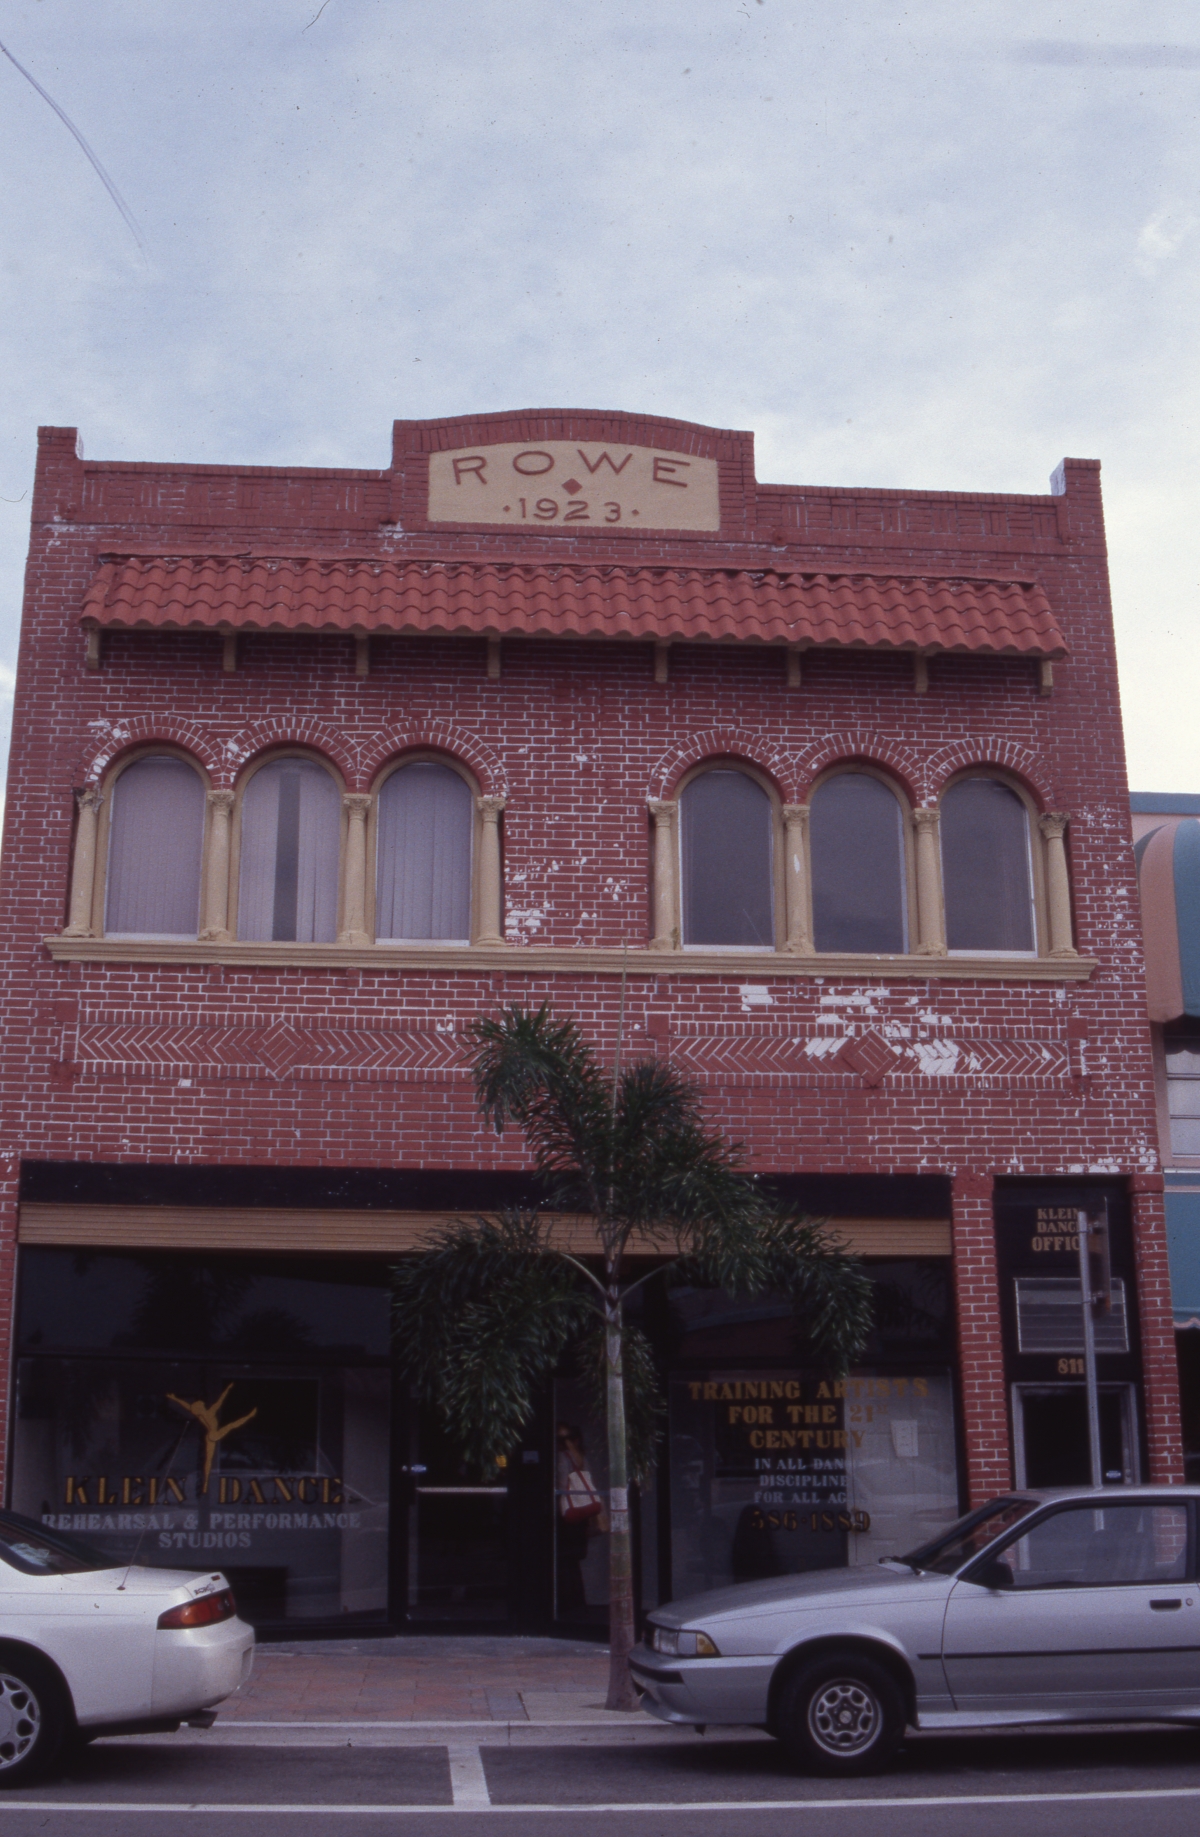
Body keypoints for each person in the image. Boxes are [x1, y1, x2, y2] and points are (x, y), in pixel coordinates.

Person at [555, 1422, 605, 1616]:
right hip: (581, 1515)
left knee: (564, 1560)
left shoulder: (562, 1458)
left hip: (567, 1514)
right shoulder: (582, 1459)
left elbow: (560, 1483)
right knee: (573, 1561)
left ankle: (568, 1603)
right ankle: (576, 1601)